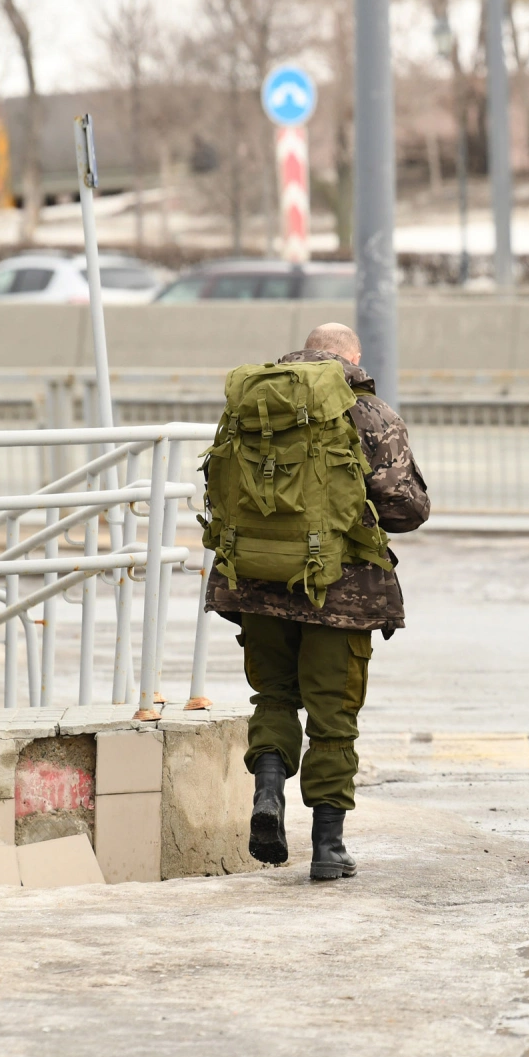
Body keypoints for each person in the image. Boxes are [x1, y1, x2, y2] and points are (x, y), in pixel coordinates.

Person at [206, 323, 430, 881]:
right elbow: (406, 509)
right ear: (353, 357)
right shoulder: (370, 414)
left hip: (256, 584)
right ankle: (328, 849)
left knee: (275, 698)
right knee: (333, 720)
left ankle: (268, 795)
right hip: (340, 594)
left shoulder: (251, 407)